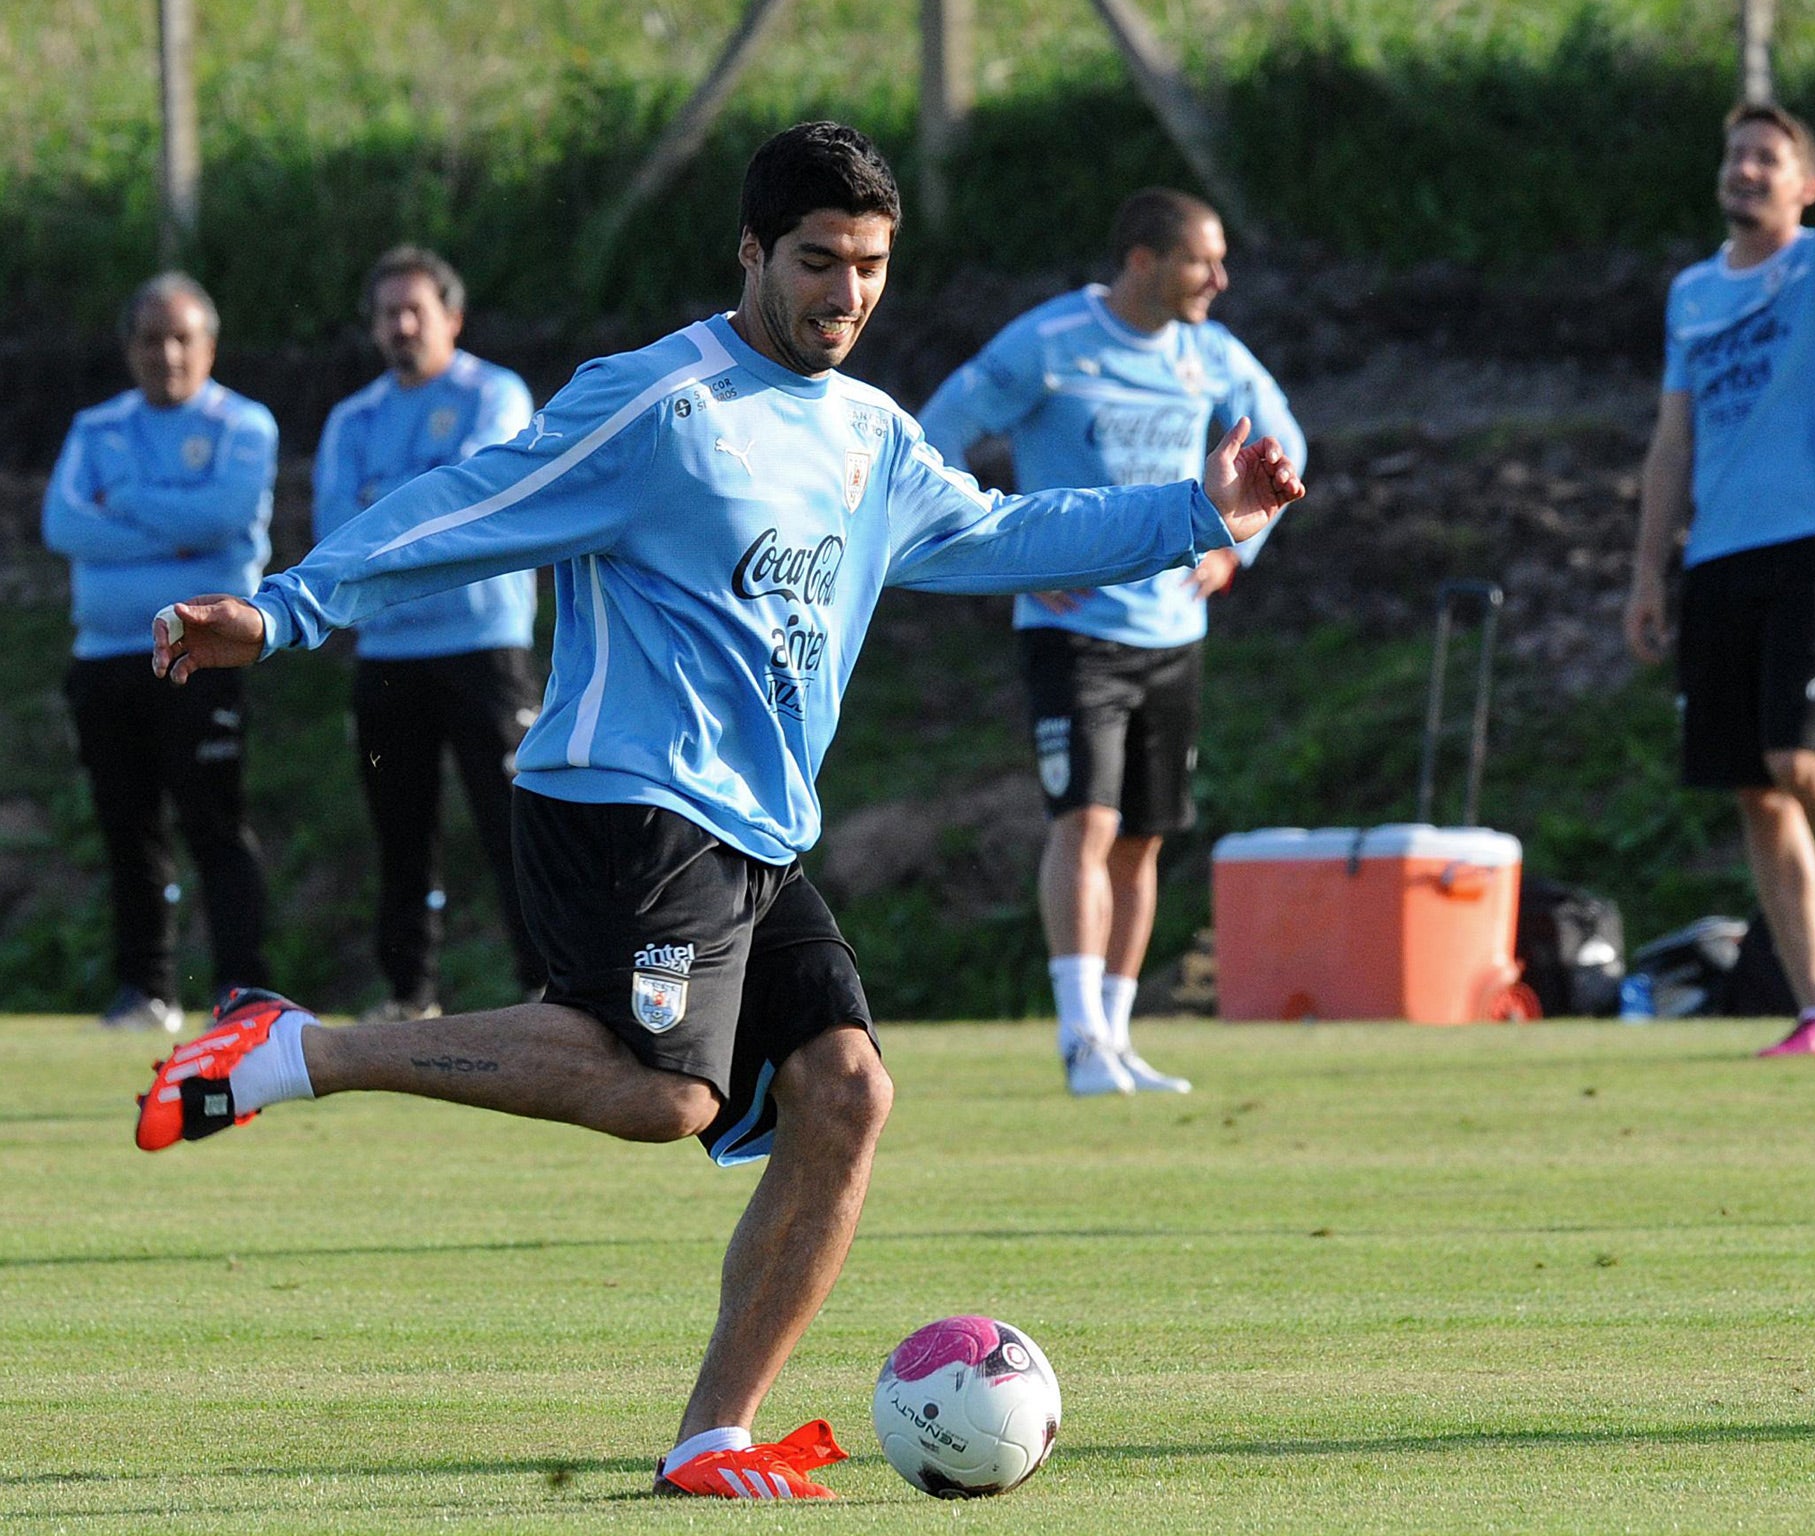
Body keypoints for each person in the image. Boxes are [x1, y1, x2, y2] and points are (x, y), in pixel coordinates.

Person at [134, 123, 1302, 1501]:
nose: (847, 294)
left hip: (756, 829)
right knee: (669, 1093)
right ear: (752, 253)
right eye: (818, 262)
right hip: (625, 795)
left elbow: (999, 535)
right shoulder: (659, 403)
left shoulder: (873, 434)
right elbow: (472, 501)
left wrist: (1196, 513)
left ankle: (711, 1436)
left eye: (870, 267)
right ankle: (299, 1053)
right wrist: (285, 609)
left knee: (845, 1093)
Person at [919, 189, 1305, 1097]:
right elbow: (931, 438)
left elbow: (1284, 441)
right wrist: (1011, 545)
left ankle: (1119, 1039)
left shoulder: (1210, 355)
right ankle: (1078, 1038)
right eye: (1200, 260)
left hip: (1174, 633)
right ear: (1141, 260)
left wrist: (1241, 544)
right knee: (1084, 823)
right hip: (1073, 630)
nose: (1220, 278)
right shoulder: (1049, 344)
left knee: (1143, 839)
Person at [1624, 69, 1815, 1058]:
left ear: (1804, 184)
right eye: (1733, 156)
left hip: (1812, 543)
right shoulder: (1692, 293)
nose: (1743, 171)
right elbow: (1672, 443)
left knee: (1804, 756)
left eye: (1766, 159)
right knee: (1755, 787)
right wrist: (1645, 574)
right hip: (1714, 560)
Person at [314, 246, 546, 1021]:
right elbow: (336, 532)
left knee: (517, 823)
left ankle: (549, 988)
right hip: (387, 653)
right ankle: (409, 994)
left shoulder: (494, 394)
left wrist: (389, 502)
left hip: (485, 643)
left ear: (453, 316)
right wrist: (423, 495)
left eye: (416, 310)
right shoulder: (353, 419)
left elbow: (478, 502)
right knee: (400, 834)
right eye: (388, 314)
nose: (402, 326)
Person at [42, 273, 277, 1033]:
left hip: (202, 655)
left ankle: (244, 989)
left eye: (182, 338)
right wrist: (173, 532)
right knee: (126, 826)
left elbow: (225, 516)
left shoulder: (245, 425)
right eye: (151, 338)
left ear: (209, 345)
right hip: (105, 656)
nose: (166, 354)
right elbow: (66, 528)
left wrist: (130, 501)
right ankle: (144, 989)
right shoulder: (95, 429)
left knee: (216, 824)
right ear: (129, 348)